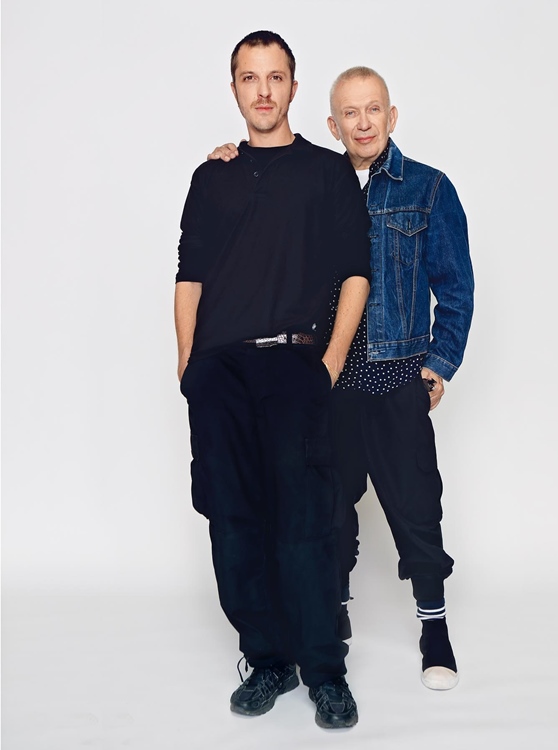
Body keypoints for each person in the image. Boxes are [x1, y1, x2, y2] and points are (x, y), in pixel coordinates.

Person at [208, 66, 474, 691]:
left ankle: (434, 626)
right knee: (327, 509)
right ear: (331, 124)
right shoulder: (316, 183)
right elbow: (259, 195)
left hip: (393, 375)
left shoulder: (429, 189)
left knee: (414, 506)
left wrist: (436, 368)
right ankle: (335, 612)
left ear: (391, 116)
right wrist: (225, 158)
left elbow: (455, 289)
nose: (362, 123)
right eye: (349, 114)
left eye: (372, 110)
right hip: (324, 380)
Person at [175, 32, 371, 729]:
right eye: (249, 77)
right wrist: (188, 367)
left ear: (293, 87)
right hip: (220, 374)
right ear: (233, 88)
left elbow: (355, 273)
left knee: (304, 525)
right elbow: (188, 277)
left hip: (294, 366)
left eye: (275, 77)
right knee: (233, 524)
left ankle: (324, 671)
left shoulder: (326, 173)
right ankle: (266, 660)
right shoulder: (213, 177)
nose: (263, 90)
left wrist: (329, 364)